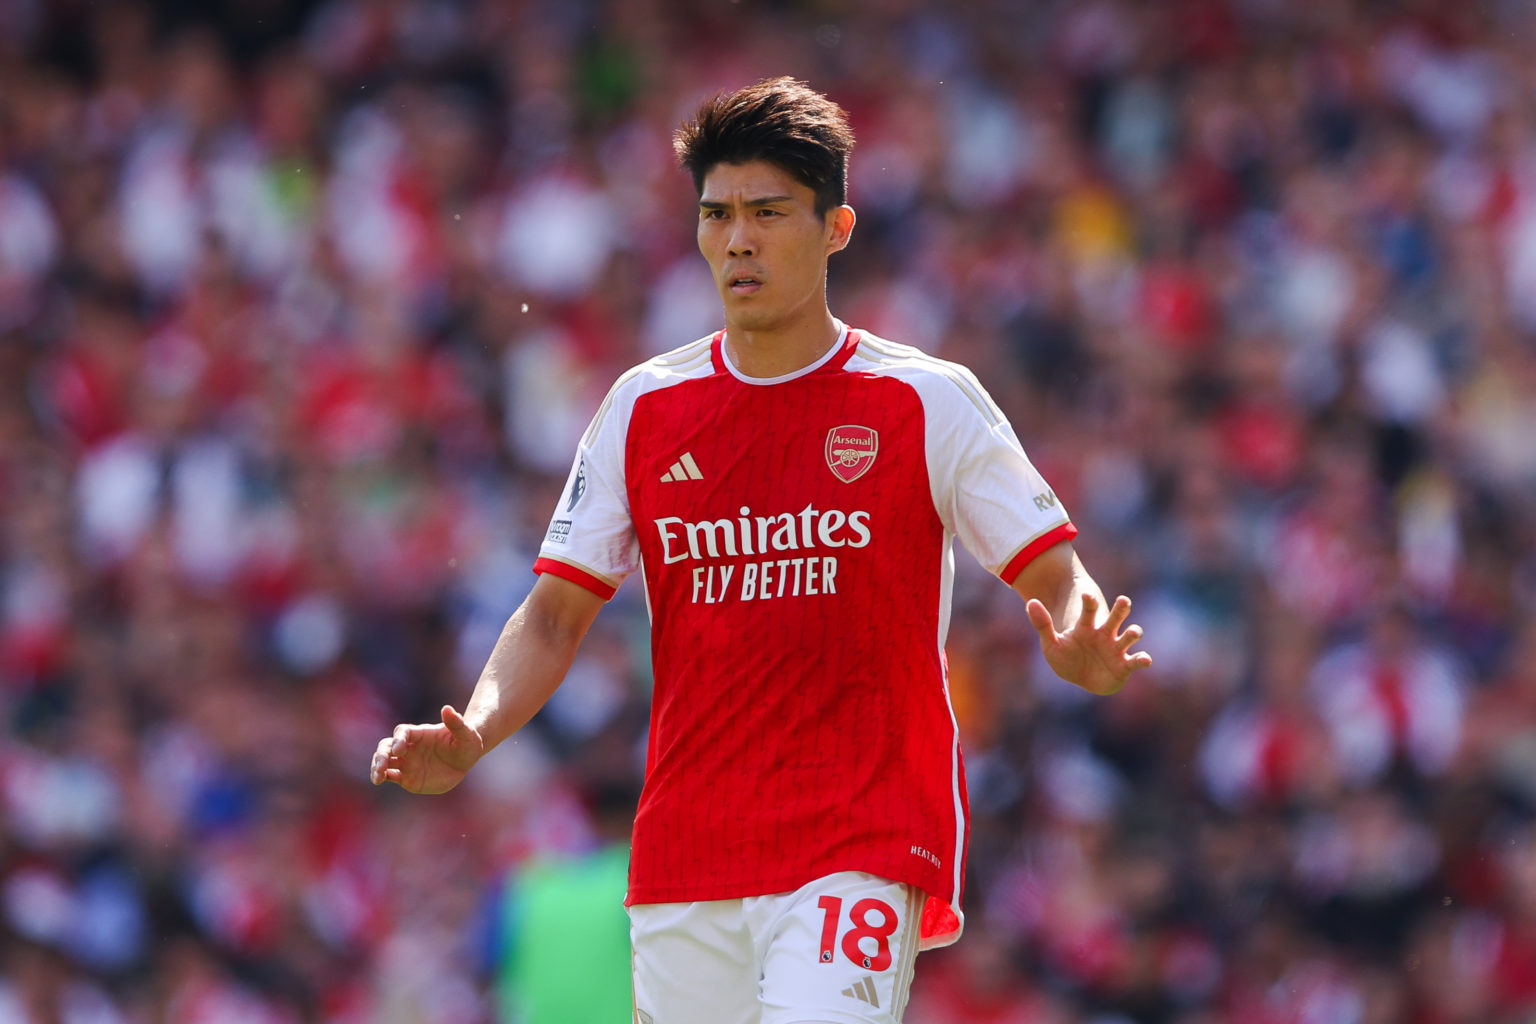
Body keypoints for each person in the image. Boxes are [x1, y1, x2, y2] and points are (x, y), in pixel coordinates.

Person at [371, 76, 1152, 1024]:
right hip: (688, 851)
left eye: (770, 212)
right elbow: (554, 611)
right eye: (718, 214)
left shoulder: (924, 400)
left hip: (857, 838)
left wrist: (1081, 644)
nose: (738, 239)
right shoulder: (643, 409)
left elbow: (1056, 577)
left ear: (837, 228)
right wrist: (478, 732)